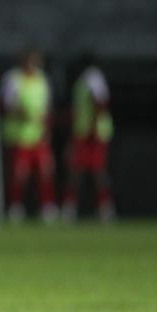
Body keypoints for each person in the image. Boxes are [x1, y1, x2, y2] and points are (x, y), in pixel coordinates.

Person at [0, 47, 57, 223]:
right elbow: (7, 104)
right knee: (19, 174)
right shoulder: (13, 78)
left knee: (45, 172)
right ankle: (15, 206)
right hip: (19, 135)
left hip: (38, 135)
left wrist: (46, 128)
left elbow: (46, 107)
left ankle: (47, 206)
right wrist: (21, 113)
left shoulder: (42, 79)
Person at [62, 53, 115, 222]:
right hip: (84, 132)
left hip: (92, 134)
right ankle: (73, 206)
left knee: (95, 171)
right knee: (79, 170)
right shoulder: (88, 79)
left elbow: (99, 104)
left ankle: (104, 207)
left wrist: (92, 128)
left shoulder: (93, 78)